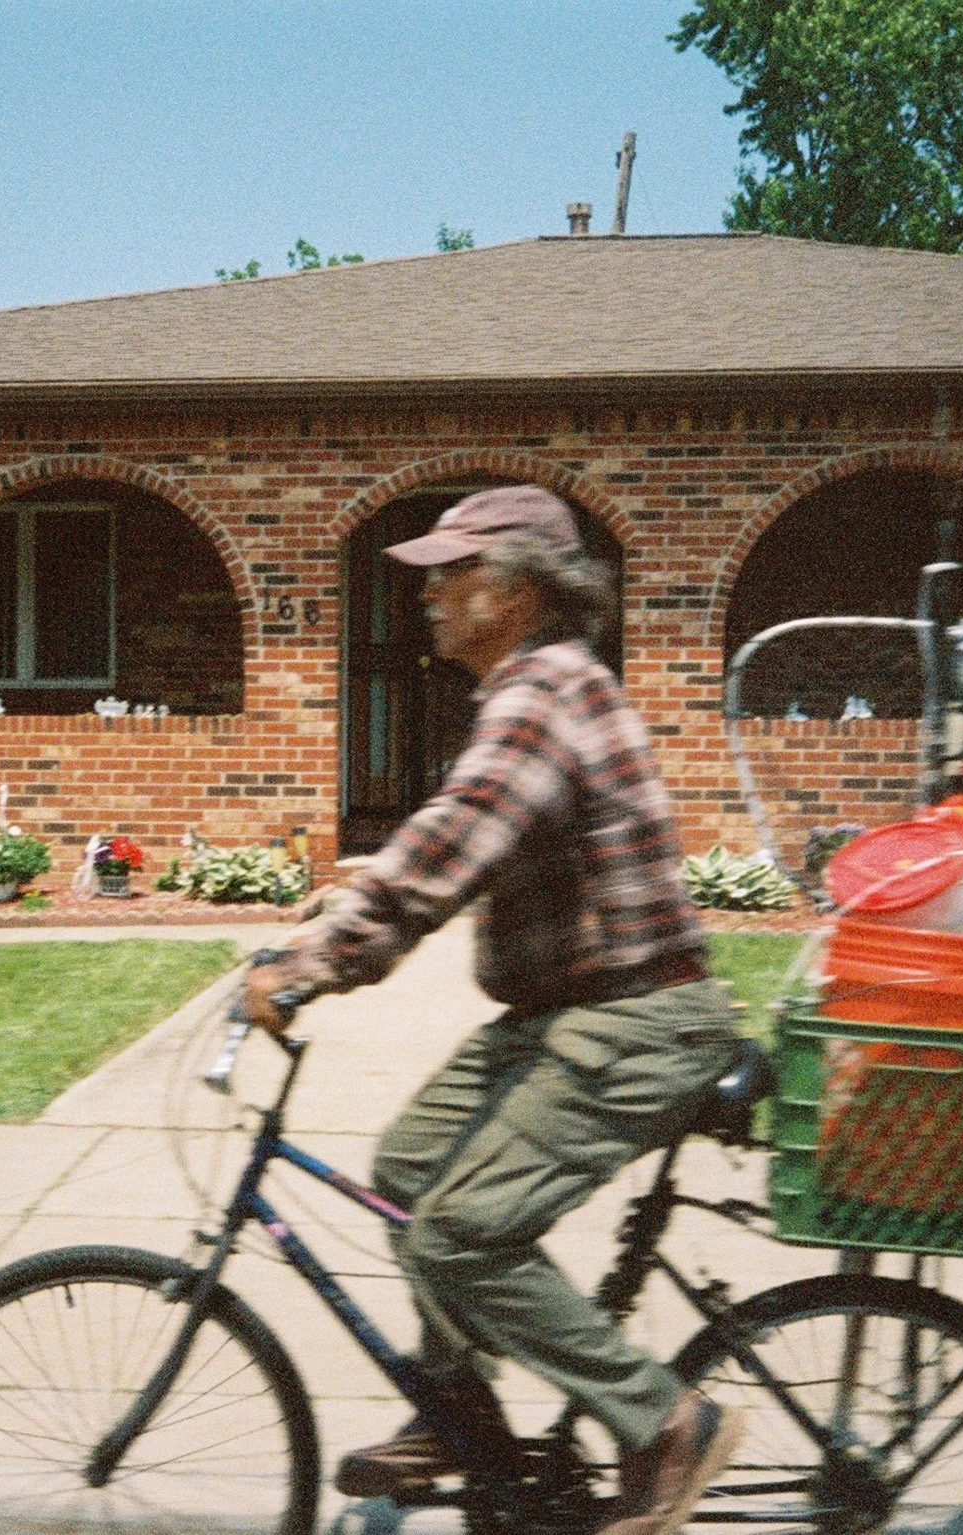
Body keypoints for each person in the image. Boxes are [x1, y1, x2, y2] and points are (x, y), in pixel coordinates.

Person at [242, 485, 744, 1535]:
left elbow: (452, 842)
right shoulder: (539, 689)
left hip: (635, 1022)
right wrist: (330, 919)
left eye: (451, 570)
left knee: (460, 1236)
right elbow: (453, 840)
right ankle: (456, 1412)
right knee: (410, 1173)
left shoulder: (543, 692)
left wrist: (313, 965)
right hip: (568, 1015)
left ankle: (665, 1421)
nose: (428, 592)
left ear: (516, 588)